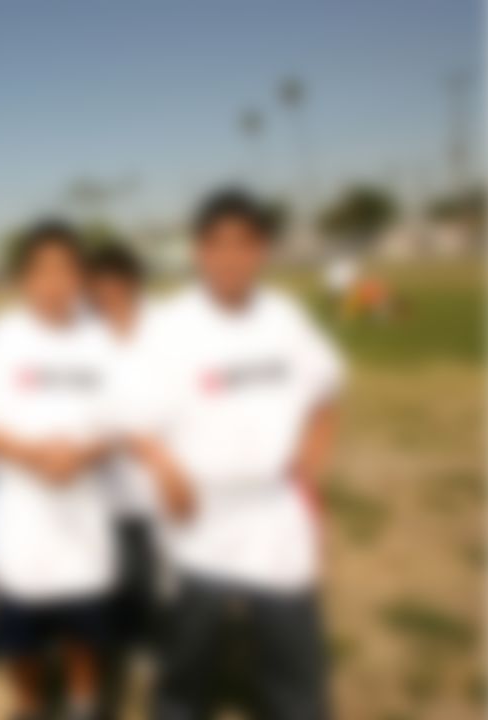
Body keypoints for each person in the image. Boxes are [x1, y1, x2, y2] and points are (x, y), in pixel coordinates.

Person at [124, 189, 344, 719]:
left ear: (263, 250)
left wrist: (310, 465)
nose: (230, 257)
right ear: (197, 252)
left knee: (297, 674)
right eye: (216, 244)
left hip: (273, 516)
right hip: (197, 518)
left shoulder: (284, 317)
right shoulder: (166, 326)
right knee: (185, 672)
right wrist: (165, 468)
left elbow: (328, 388)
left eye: (245, 243)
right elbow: (129, 415)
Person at [0, 222, 116, 720]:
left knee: (84, 629)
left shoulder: (100, 339)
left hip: (84, 514)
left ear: (82, 278)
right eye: (41, 271)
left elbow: (129, 415)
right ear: (22, 279)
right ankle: (31, 703)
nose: (54, 283)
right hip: (19, 517)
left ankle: (84, 703)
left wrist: (84, 454)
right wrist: (33, 456)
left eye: (66, 270)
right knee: (20, 637)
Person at [85, 241, 164, 714]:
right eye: (100, 284)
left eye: (117, 282)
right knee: (111, 570)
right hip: (101, 480)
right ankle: (119, 643)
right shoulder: (84, 337)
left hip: (153, 477)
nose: (108, 292)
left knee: (152, 573)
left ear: (134, 283)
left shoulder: (165, 330)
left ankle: (147, 646)